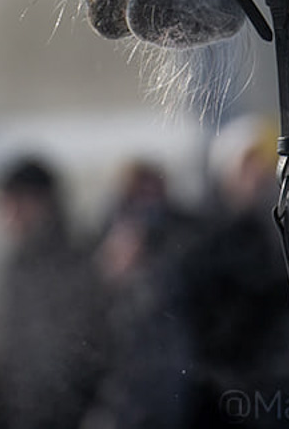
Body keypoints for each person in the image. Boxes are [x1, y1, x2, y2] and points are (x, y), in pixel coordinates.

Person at [181, 115, 289, 428]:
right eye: (247, 166)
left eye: (263, 168)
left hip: (282, 393)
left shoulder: (282, 231)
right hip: (222, 397)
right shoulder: (202, 236)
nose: (257, 177)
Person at [0, 155, 107, 429]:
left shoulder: (83, 263)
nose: (9, 217)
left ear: (44, 203)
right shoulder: (14, 269)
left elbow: (92, 354)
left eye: (17, 204)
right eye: (4, 206)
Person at [87, 159, 205, 429]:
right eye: (138, 192)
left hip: (173, 375)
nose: (146, 204)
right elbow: (88, 305)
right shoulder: (105, 237)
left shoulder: (183, 235)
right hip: (119, 381)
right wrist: (111, 268)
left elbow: (192, 292)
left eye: (152, 192)